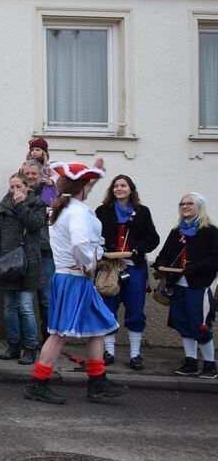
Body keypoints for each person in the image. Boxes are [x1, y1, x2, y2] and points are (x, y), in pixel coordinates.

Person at [24, 162, 128, 404]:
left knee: (100, 327)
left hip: (71, 277)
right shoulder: (77, 211)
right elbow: (80, 244)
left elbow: (80, 238)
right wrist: (90, 265)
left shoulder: (65, 206)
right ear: (82, 186)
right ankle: (37, 384)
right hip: (75, 277)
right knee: (60, 333)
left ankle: (97, 381)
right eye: (88, 184)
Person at [96, 175, 160, 370]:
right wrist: (104, 250)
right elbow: (94, 236)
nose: (119, 188)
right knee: (108, 308)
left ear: (131, 189)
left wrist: (138, 249)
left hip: (135, 268)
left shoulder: (142, 212)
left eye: (123, 185)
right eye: (116, 186)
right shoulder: (102, 211)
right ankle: (108, 352)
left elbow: (153, 238)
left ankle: (135, 355)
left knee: (135, 310)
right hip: (110, 268)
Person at [152, 192, 218, 379]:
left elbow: (215, 259)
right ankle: (190, 362)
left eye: (190, 203)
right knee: (183, 323)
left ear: (199, 207)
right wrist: (159, 263)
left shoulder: (210, 231)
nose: (185, 206)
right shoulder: (177, 231)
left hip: (199, 285)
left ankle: (209, 364)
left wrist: (195, 268)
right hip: (178, 285)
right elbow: (164, 253)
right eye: (182, 203)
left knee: (201, 325)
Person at [0, 173, 47, 366]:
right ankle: (13, 345)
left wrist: (21, 204)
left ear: (27, 187)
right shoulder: (3, 205)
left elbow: (35, 225)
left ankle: (30, 348)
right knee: (8, 307)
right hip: (7, 261)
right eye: (12, 186)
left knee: (25, 307)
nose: (14, 190)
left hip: (28, 262)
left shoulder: (37, 204)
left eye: (18, 186)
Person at [21, 159, 56, 340]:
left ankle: (48, 338)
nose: (31, 177)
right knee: (24, 302)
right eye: (27, 173)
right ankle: (27, 341)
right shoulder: (16, 191)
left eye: (34, 173)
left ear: (41, 174)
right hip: (23, 253)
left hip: (45, 252)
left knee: (46, 300)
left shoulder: (51, 193)